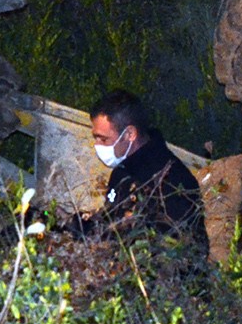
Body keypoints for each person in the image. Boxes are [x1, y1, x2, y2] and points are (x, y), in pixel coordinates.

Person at [84, 89, 203, 240]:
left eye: (103, 139)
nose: (97, 145)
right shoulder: (122, 171)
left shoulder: (172, 181)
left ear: (130, 134)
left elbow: (178, 246)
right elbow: (108, 225)